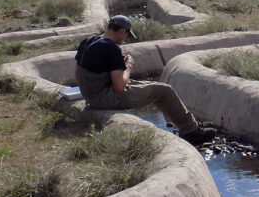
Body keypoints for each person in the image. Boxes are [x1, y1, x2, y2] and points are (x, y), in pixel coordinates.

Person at [75, 15, 216, 144]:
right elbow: (119, 88)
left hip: (91, 95)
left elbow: (78, 73)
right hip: (105, 98)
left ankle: (188, 124)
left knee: (153, 86)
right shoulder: (111, 48)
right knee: (164, 91)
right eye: (127, 35)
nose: (125, 39)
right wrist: (127, 66)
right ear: (123, 31)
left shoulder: (89, 40)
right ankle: (191, 132)